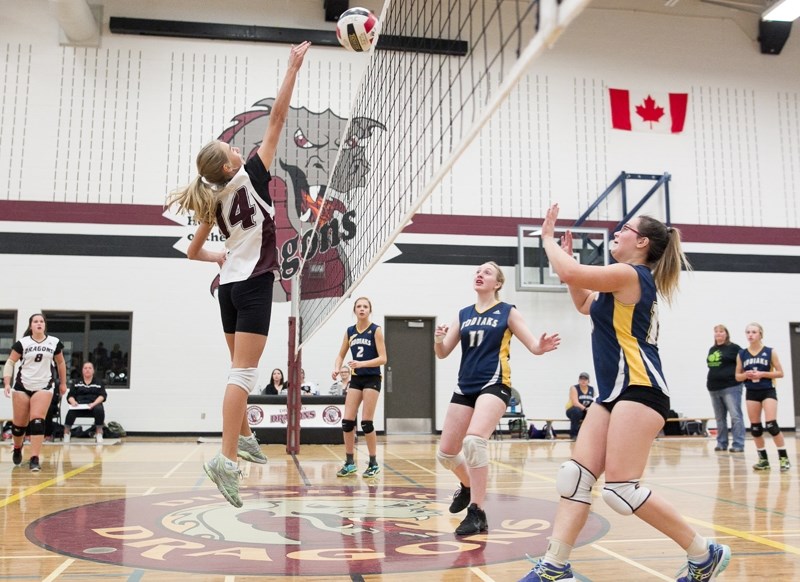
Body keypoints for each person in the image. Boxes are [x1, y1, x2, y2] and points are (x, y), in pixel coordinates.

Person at [519, 205, 730, 581]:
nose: (616, 232)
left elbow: (569, 272)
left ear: (642, 242)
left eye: (624, 229)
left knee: (620, 490)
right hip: (614, 392)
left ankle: (704, 553)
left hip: (641, 389)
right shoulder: (618, 281)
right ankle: (554, 567)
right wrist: (569, 267)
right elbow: (584, 302)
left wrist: (549, 241)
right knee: (575, 477)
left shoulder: (632, 273)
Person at [165, 41, 311, 507]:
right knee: (243, 377)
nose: (235, 145)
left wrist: (218, 258)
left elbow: (192, 252)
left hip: (228, 288)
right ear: (230, 164)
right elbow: (277, 120)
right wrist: (291, 69)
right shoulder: (250, 173)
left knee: (236, 372)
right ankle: (225, 460)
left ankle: (244, 436)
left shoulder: (211, 198)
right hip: (252, 287)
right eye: (231, 147)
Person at [434, 261, 560, 536]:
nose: (480, 274)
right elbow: (442, 353)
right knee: (445, 453)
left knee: (474, 441)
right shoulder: (464, 314)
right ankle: (468, 486)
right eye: (477, 271)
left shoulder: (508, 311)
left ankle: (477, 512)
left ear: (498, 283)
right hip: (465, 387)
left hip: (495, 384)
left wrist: (542, 345)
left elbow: (533, 346)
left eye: (487, 272)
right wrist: (437, 339)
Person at [3, 313, 68, 472]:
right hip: (22, 386)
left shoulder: (54, 342)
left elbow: (60, 363)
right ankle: (18, 447)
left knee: (38, 422)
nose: (39, 324)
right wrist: (6, 382)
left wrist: (63, 383)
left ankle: (34, 458)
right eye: (35, 321)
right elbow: (10, 362)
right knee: (19, 427)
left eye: (41, 321)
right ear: (31, 325)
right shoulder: (22, 343)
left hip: (44, 386)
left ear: (44, 325)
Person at [332, 297, 387, 478]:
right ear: (354, 310)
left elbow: (383, 359)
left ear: (370, 310)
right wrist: (336, 368)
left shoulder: (375, 330)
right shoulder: (350, 331)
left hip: (372, 378)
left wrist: (361, 364)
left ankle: (373, 462)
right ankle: (349, 462)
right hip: (356, 380)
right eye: (359, 306)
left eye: (365, 306)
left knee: (366, 422)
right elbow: (340, 354)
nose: (362, 309)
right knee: (347, 422)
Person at [735, 322, 788, 472]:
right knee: (756, 428)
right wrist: (746, 375)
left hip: (767, 391)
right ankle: (763, 460)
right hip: (752, 392)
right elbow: (737, 376)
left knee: (771, 425)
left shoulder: (770, 352)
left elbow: (780, 373)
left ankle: (783, 458)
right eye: (748, 332)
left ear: (760, 334)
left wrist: (762, 374)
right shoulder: (742, 354)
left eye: (753, 332)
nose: (750, 335)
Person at [706, 324, 745, 453]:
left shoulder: (734, 348)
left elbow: (744, 363)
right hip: (714, 388)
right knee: (720, 418)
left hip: (731, 387)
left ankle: (738, 444)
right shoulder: (712, 349)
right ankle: (721, 443)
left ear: (726, 334)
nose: (718, 334)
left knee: (735, 416)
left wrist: (742, 377)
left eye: (721, 331)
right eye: (716, 331)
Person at [63, 361, 108, 444]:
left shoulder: (99, 382)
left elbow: (103, 396)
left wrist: (94, 403)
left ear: (93, 371)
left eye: (90, 368)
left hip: (93, 405)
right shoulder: (76, 382)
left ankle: (99, 433)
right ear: (82, 370)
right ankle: (66, 433)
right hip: (79, 405)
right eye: (85, 368)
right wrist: (73, 402)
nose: (87, 370)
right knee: (71, 411)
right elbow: (70, 396)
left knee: (99, 409)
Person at [565, 372, 595, 440]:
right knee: (577, 411)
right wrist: (586, 409)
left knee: (595, 413)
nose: (583, 381)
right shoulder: (574, 388)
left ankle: (590, 435)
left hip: (584, 411)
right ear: (579, 380)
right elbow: (575, 402)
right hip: (572, 410)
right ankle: (573, 435)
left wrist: (591, 409)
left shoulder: (592, 389)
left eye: (585, 379)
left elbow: (594, 401)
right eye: (581, 379)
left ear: (588, 381)